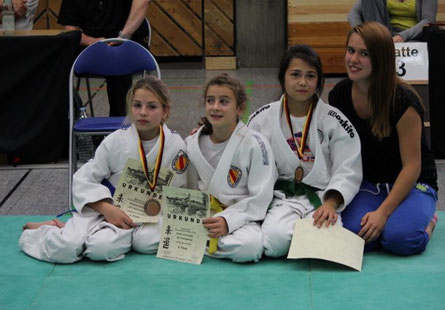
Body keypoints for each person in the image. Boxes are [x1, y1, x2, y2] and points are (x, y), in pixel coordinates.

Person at [19, 76, 189, 263]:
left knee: (102, 249)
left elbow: (181, 189)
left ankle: (76, 230)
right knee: (65, 248)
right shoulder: (116, 141)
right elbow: (84, 179)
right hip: (107, 209)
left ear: (165, 112)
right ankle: (48, 231)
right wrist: (106, 208)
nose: (143, 112)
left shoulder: (175, 145)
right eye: (137, 105)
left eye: (152, 106)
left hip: (149, 217)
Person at [328, 22, 438, 256]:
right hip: (369, 184)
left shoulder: (403, 101)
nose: (353, 59)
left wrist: (383, 214)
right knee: (353, 237)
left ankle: (428, 222)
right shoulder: (339, 95)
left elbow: (412, 166)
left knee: (401, 241)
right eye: (351, 50)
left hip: (413, 184)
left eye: (364, 54)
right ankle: (394, 221)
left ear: (381, 59)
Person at [247, 45, 362, 258]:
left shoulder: (333, 120)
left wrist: (331, 202)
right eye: (295, 75)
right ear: (283, 78)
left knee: (326, 245)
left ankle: (311, 234)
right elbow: (244, 153)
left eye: (310, 76)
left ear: (318, 81)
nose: (302, 82)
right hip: (283, 198)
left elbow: (348, 167)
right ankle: (304, 236)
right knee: (274, 244)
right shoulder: (263, 119)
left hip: (322, 197)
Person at [186, 73, 276, 263]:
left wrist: (229, 221)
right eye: (210, 101)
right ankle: (199, 241)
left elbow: (260, 197)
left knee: (250, 247)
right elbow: (186, 188)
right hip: (204, 215)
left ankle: (198, 245)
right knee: (148, 238)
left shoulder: (256, 144)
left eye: (224, 101)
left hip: (240, 216)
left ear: (240, 108)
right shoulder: (192, 144)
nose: (215, 107)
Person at [57, 0, 150, 116]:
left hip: (125, 41)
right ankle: (73, 116)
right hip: (88, 46)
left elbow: (142, 2)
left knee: (118, 62)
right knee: (57, 63)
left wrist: (123, 36)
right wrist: (92, 42)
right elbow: (70, 29)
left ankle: (119, 123)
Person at [347, 0, 438, 42]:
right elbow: (353, 14)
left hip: (411, 36)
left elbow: (428, 20)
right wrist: (363, 34)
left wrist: (402, 36)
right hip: (384, 35)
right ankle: (375, 40)